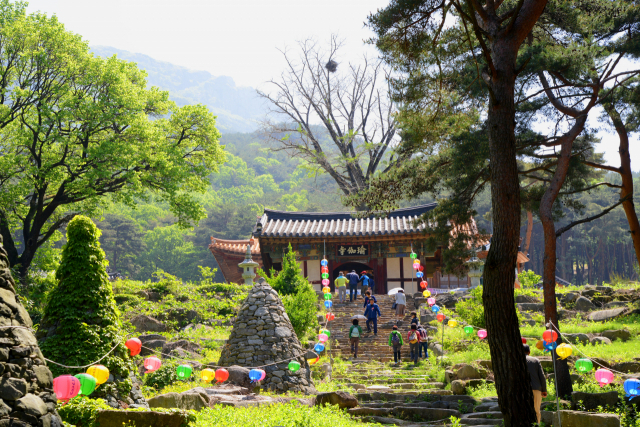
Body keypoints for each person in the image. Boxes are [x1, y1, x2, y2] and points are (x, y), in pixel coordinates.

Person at [524, 344, 547, 424]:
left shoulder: (516, 361)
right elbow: (542, 377)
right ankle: (537, 424)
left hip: (522, 389)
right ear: (529, 352)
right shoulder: (535, 360)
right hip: (536, 388)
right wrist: (544, 390)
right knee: (536, 410)